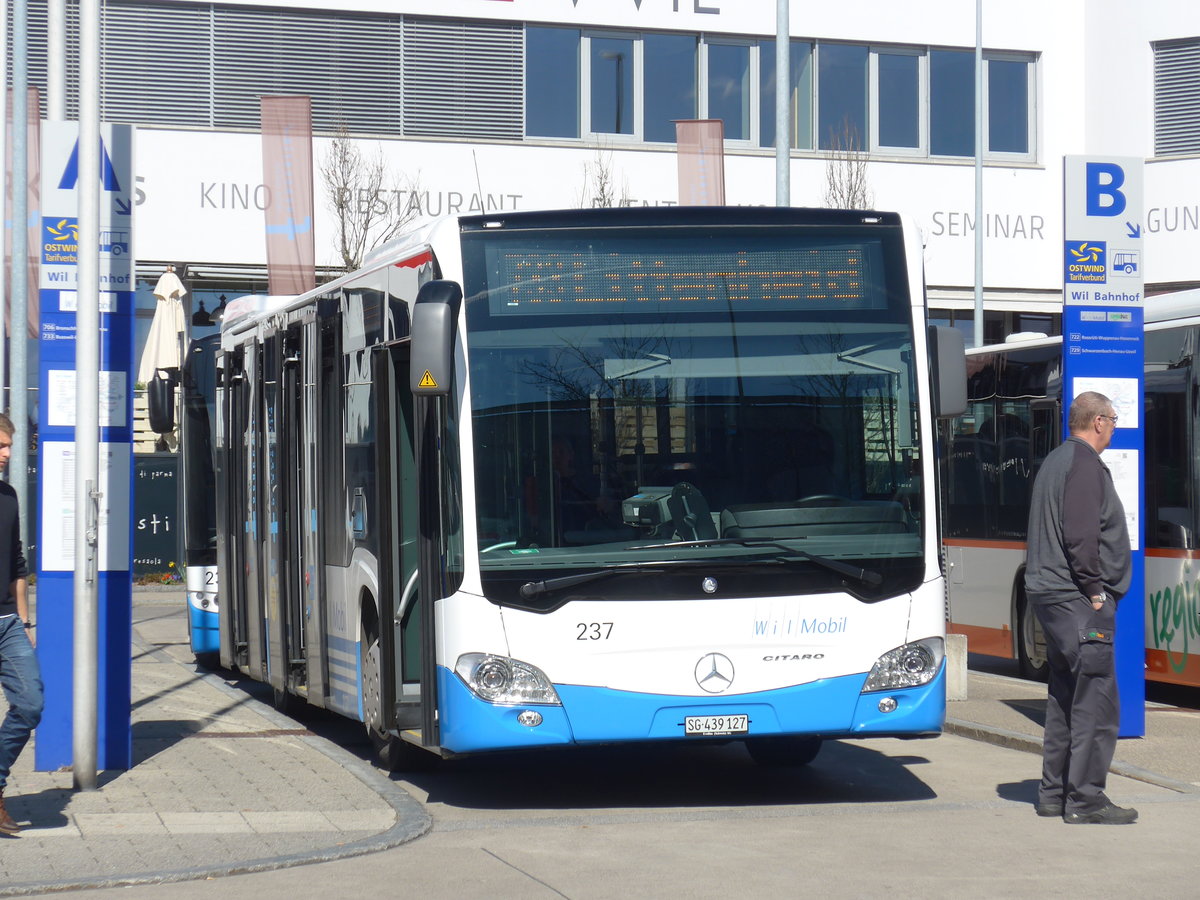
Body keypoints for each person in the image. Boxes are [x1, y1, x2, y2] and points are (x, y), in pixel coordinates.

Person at [1024, 391, 1135, 825]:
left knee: (1065, 696)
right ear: (1097, 421)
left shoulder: (1055, 461)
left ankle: (1054, 794)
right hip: (1077, 601)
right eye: (1113, 418)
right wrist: (1094, 590)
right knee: (1096, 702)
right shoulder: (1086, 466)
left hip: (1050, 596)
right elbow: (1080, 535)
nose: (1115, 426)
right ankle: (1086, 800)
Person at [0, 413, 41, 835]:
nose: (8, 454)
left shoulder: (8, 496)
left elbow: (16, 564)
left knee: (30, 704)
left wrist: (26, 622)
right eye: (0, 446)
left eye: (9, 446)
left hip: (8, 622)